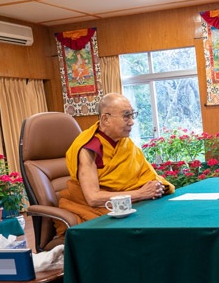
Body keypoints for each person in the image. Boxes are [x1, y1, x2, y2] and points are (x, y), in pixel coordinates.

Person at [57, 93, 175, 234]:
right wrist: (140, 194)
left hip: (129, 204)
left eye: (132, 115)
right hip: (98, 211)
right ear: (105, 119)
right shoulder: (89, 149)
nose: (132, 122)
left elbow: (146, 175)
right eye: (126, 116)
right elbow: (93, 198)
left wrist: (156, 187)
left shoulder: (125, 143)